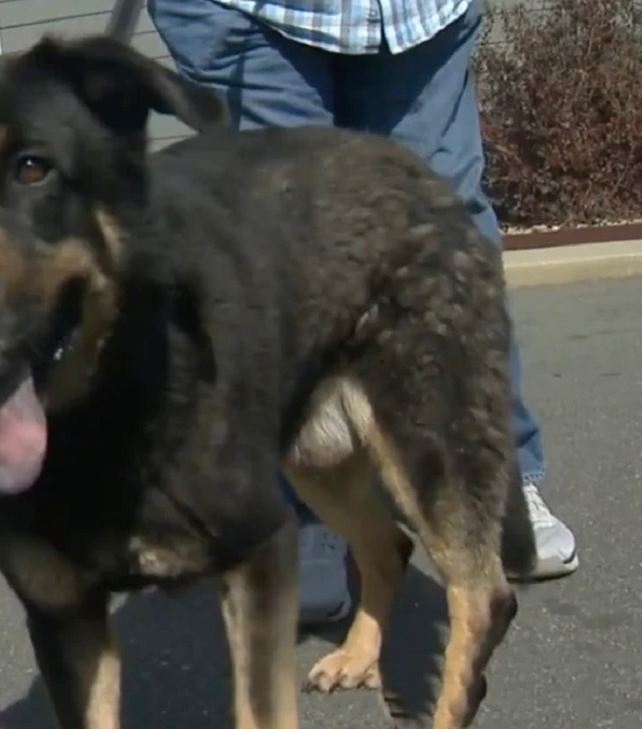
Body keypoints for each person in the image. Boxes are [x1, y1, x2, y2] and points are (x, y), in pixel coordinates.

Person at [146, 0, 580, 626]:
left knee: (446, 228)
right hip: (251, 14)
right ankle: (308, 512)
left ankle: (492, 480)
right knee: (288, 247)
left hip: (418, 15)